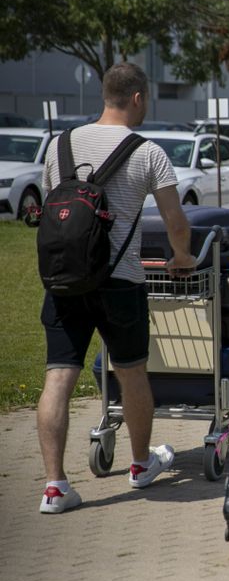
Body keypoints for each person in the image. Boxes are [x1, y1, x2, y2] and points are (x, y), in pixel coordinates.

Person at [37, 62, 197, 514]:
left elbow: (56, 208)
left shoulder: (59, 146)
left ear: (105, 94)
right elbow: (176, 222)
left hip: (64, 281)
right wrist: (181, 257)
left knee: (58, 376)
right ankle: (141, 465)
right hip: (121, 280)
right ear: (138, 98)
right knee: (131, 373)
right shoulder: (148, 152)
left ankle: (54, 486)